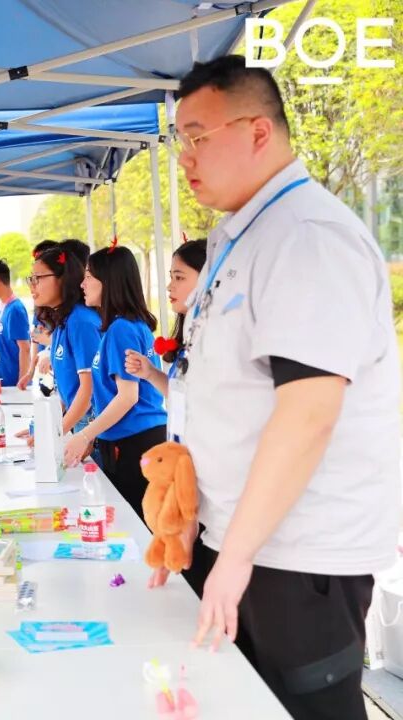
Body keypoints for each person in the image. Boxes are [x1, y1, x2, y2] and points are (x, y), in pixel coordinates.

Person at [161, 55, 400, 720]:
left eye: (199, 137)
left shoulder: (306, 236)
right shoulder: (247, 235)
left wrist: (234, 556)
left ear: (259, 132)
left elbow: (308, 411)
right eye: (181, 140)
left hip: (298, 554)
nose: (187, 158)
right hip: (248, 541)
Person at [63, 246, 167, 521]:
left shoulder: (122, 329)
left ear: (109, 282)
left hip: (134, 445)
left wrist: (85, 434)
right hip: (132, 441)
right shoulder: (125, 326)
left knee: (135, 527)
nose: (82, 284)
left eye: (89, 277)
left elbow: (127, 396)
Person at [124, 240, 208, 403]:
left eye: (179, 277)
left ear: (206, 278)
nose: (170, 286)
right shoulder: (190, 333)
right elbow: (181, 397)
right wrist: (150, 373)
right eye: (171, 277)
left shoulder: (214, 338)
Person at [29, 247, 101, 435]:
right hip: (78, 422)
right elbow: (69, 388)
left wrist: (55, 433)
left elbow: (88, 391)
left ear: (62, 278)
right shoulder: (64, 320)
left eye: (38, 278)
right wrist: (42, 429)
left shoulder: (81, 321)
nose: (32, 286)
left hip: (92, 429)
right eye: (31, 279)